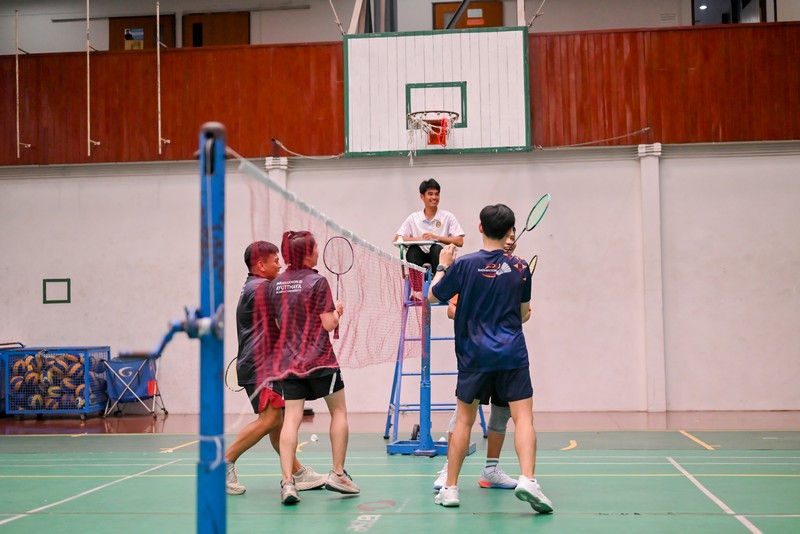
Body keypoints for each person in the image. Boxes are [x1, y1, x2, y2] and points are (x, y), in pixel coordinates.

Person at [428, 205, 553, 513]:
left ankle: (451, 488)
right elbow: (523, 314)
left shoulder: (464, 265)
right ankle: (528, 479)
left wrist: (442, 265)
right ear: (510, 231)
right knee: (523, 419)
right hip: (511, 354)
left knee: (464, 421)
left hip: (473, 356)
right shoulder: (521, 267)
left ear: (480, 228)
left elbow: (432, 296)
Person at [224, 241, 327, 495]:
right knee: (270, 419)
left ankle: (297, 472)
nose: (279, 265)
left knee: (277, 422)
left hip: (261, 364)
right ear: (260, 264)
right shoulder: (262, 288)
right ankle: (222, 464)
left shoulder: (255, 286)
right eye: (275, 261)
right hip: (260, 366)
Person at [267, 231, 359, 505]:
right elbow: (328, 324)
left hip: (289, 362)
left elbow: (279, 324)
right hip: (320, 360)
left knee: (291, 419)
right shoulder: (318, 282)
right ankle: (338, 474)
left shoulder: (276, 284)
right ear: (307, 253)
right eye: (316, 247)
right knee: (338, 411)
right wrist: (338, 312)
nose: (318, 251)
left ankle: (287, 482)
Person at [433, 228, 528, 492]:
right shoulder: (472, 268)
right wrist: (480, 315)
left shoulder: (518, 271)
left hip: (506, 355)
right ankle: (448, 472)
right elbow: (451, 308)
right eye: (507, 236)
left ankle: (491, 470)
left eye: (513, 238)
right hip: (476, 353)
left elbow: (524, 313)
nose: (510, 241)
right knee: (463, 415)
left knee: (502, 413)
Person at [394, 179, 465, 297]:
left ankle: (440, 286)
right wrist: (418, 240)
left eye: (437, 194)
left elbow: (459, 241)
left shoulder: (448, 217)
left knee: (436, 248)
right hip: (420, 259)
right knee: (413, 250)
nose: (434, 197)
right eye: (430, 194)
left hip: (439, 259)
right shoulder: (413, 218)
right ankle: (417, 291)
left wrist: (437, 238)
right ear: (422, 197)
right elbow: (397, 238)